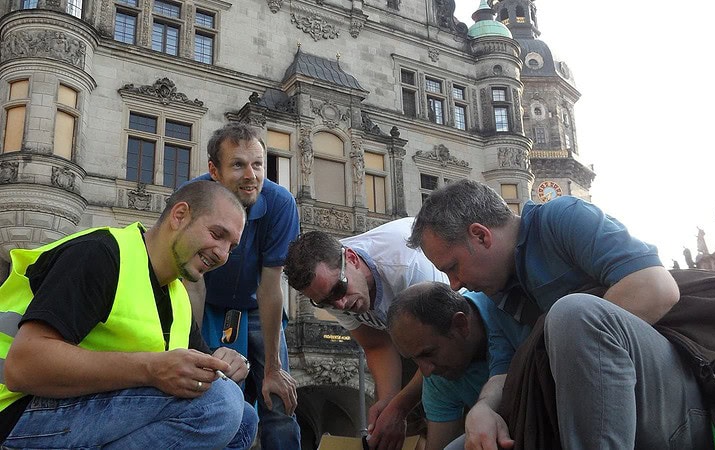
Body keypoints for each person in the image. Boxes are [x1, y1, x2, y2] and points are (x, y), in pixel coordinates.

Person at [408, 179, 712, 449]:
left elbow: (657, 288)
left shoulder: (562, 217)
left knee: (571, 313)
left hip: (667, 406)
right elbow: (505, 371)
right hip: (569, 414)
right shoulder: (492, 293)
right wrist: (484, 408)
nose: (455, 284)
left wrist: (557, 341)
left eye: (452, 267)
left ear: (481, 236)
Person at [0, 180, 257, 448]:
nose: (222, 254)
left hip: (74, 410)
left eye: (232, 246)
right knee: (219, 404)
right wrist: (151, 369)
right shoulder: (100, 254)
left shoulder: (177, 296)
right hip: (15, 412)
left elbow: (196, 368)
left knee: (244, 418)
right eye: (217, 234)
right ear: (179, 216)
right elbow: (22, 368)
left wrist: (227, 361)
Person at [183, 122, 301, 449]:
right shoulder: (193, 198)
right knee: (209, 392)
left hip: (256, 309)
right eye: (238, 164)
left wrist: (274, 368)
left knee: (278, 400)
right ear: (214, 171)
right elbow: (193, 282)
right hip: (206, 306)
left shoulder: (281, 204)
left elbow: (271, 286)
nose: (251, 175)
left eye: (258, 164)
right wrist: (194, 350)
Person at [284, 218, 448, 450]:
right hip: (409, 336)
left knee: (440, 416)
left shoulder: (407, 265)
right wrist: (388, 402)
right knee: (399, 423)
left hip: (453, 328)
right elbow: (377, 345)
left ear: (351, 258)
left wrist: (398, 408)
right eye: (325, 303)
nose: (340, 305)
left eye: (339, 290)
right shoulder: (332, 284)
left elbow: (441, 351)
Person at [386, 282, 530, 450]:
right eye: (414, 359)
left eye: (428, 353)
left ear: (461, 325)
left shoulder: (509, 310)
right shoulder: (439, 375)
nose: (425, 372)